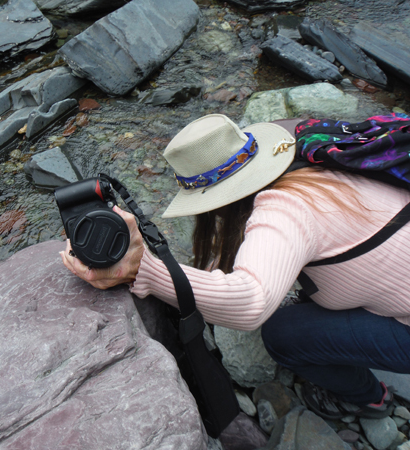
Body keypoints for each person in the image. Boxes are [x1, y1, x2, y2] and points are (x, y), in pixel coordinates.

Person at [60, 114, 410, 420]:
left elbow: (251, 302)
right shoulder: (316, 154)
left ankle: (370, 399)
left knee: (282, 334)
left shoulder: (286, 208)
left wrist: (142, 269)